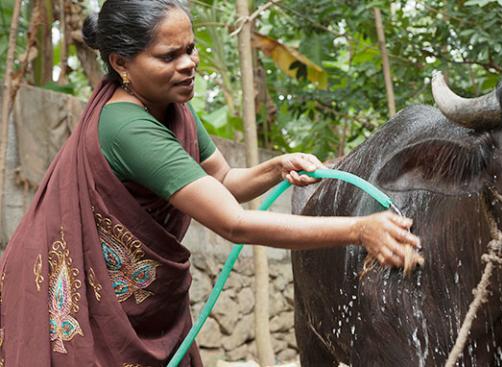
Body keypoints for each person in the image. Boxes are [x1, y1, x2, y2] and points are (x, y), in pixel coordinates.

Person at [0, 1, 420, 365]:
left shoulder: (173, 106)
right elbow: (233, 223)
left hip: (140, 297)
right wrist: (360, 230)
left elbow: (221, 179)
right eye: (168, 56)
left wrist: (275, 168)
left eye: (190, 49)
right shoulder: (128, 127)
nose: (188, 64)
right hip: (90, 300)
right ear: (120, 63)